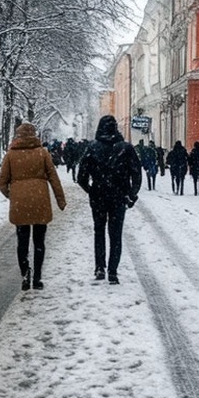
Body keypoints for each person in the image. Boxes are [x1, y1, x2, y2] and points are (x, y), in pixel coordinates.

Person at [0, 123, 66, 291]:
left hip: (20, 204)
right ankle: (37, 278)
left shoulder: (11, 155)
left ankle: (25, 274)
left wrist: (12, 195)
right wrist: (60, 199)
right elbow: (54, 178)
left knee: (22, 242)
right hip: (40, 202)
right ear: (34, 135)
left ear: (18, 136)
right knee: (39, 241)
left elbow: (1, 182)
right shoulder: (43, 153)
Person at [77, 115, 142, 284]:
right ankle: (113, 271)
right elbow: (136, 173)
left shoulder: (92, 147)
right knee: (116, 233)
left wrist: (91, 190)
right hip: (118, 196)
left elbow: (81, 176)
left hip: (98, 195)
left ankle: (100, 267)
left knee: (99, 231)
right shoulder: (126, 148)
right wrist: (132, 194)